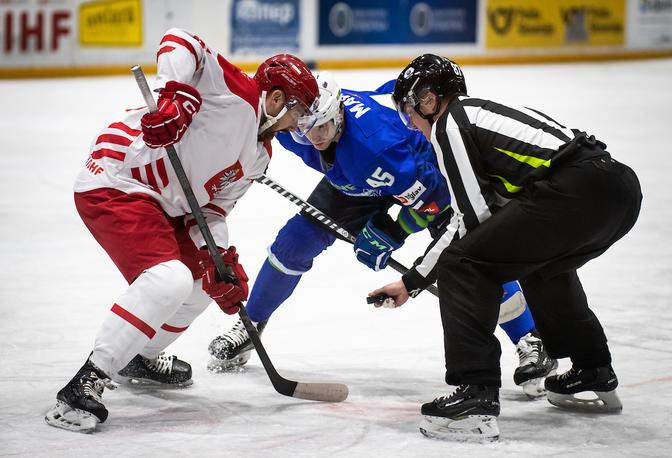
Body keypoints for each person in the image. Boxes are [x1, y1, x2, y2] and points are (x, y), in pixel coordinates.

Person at [207, 71, 557, 397]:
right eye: (305, 130)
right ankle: (250, 325)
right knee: (294, 243)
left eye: (322, 127)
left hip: (423, 175)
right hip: (353, 179)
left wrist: (392, 230)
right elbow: (248, 119)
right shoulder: (295, 126)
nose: (314, 138)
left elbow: (434, 199)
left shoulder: (382, 148)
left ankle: (529, 337)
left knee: (468, 251)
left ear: (338, 113)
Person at [44, 28, 319, 433]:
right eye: (299, 111)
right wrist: (178, 96)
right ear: (276, 98)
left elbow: (210, 211)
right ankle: (84, 385)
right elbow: (180, 41)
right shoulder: (237, 95)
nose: (299, 124)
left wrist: (219, 258)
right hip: (118, 179)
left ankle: (137, 355)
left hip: (163, 203)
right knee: (168, 280)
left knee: (205, 283)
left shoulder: (259, 157)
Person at [371, 54, 642, 441]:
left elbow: (470, 222)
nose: (410, 124)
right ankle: (592, 368)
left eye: (409, 112)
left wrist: (419, 277)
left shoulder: (451, 124)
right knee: (540, 263)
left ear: (428, 100)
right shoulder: (480, 116)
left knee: (462, 265)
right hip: (617, 190)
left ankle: (476, 394)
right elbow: (490, 220)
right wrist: (412, 281)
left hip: (574, 191)